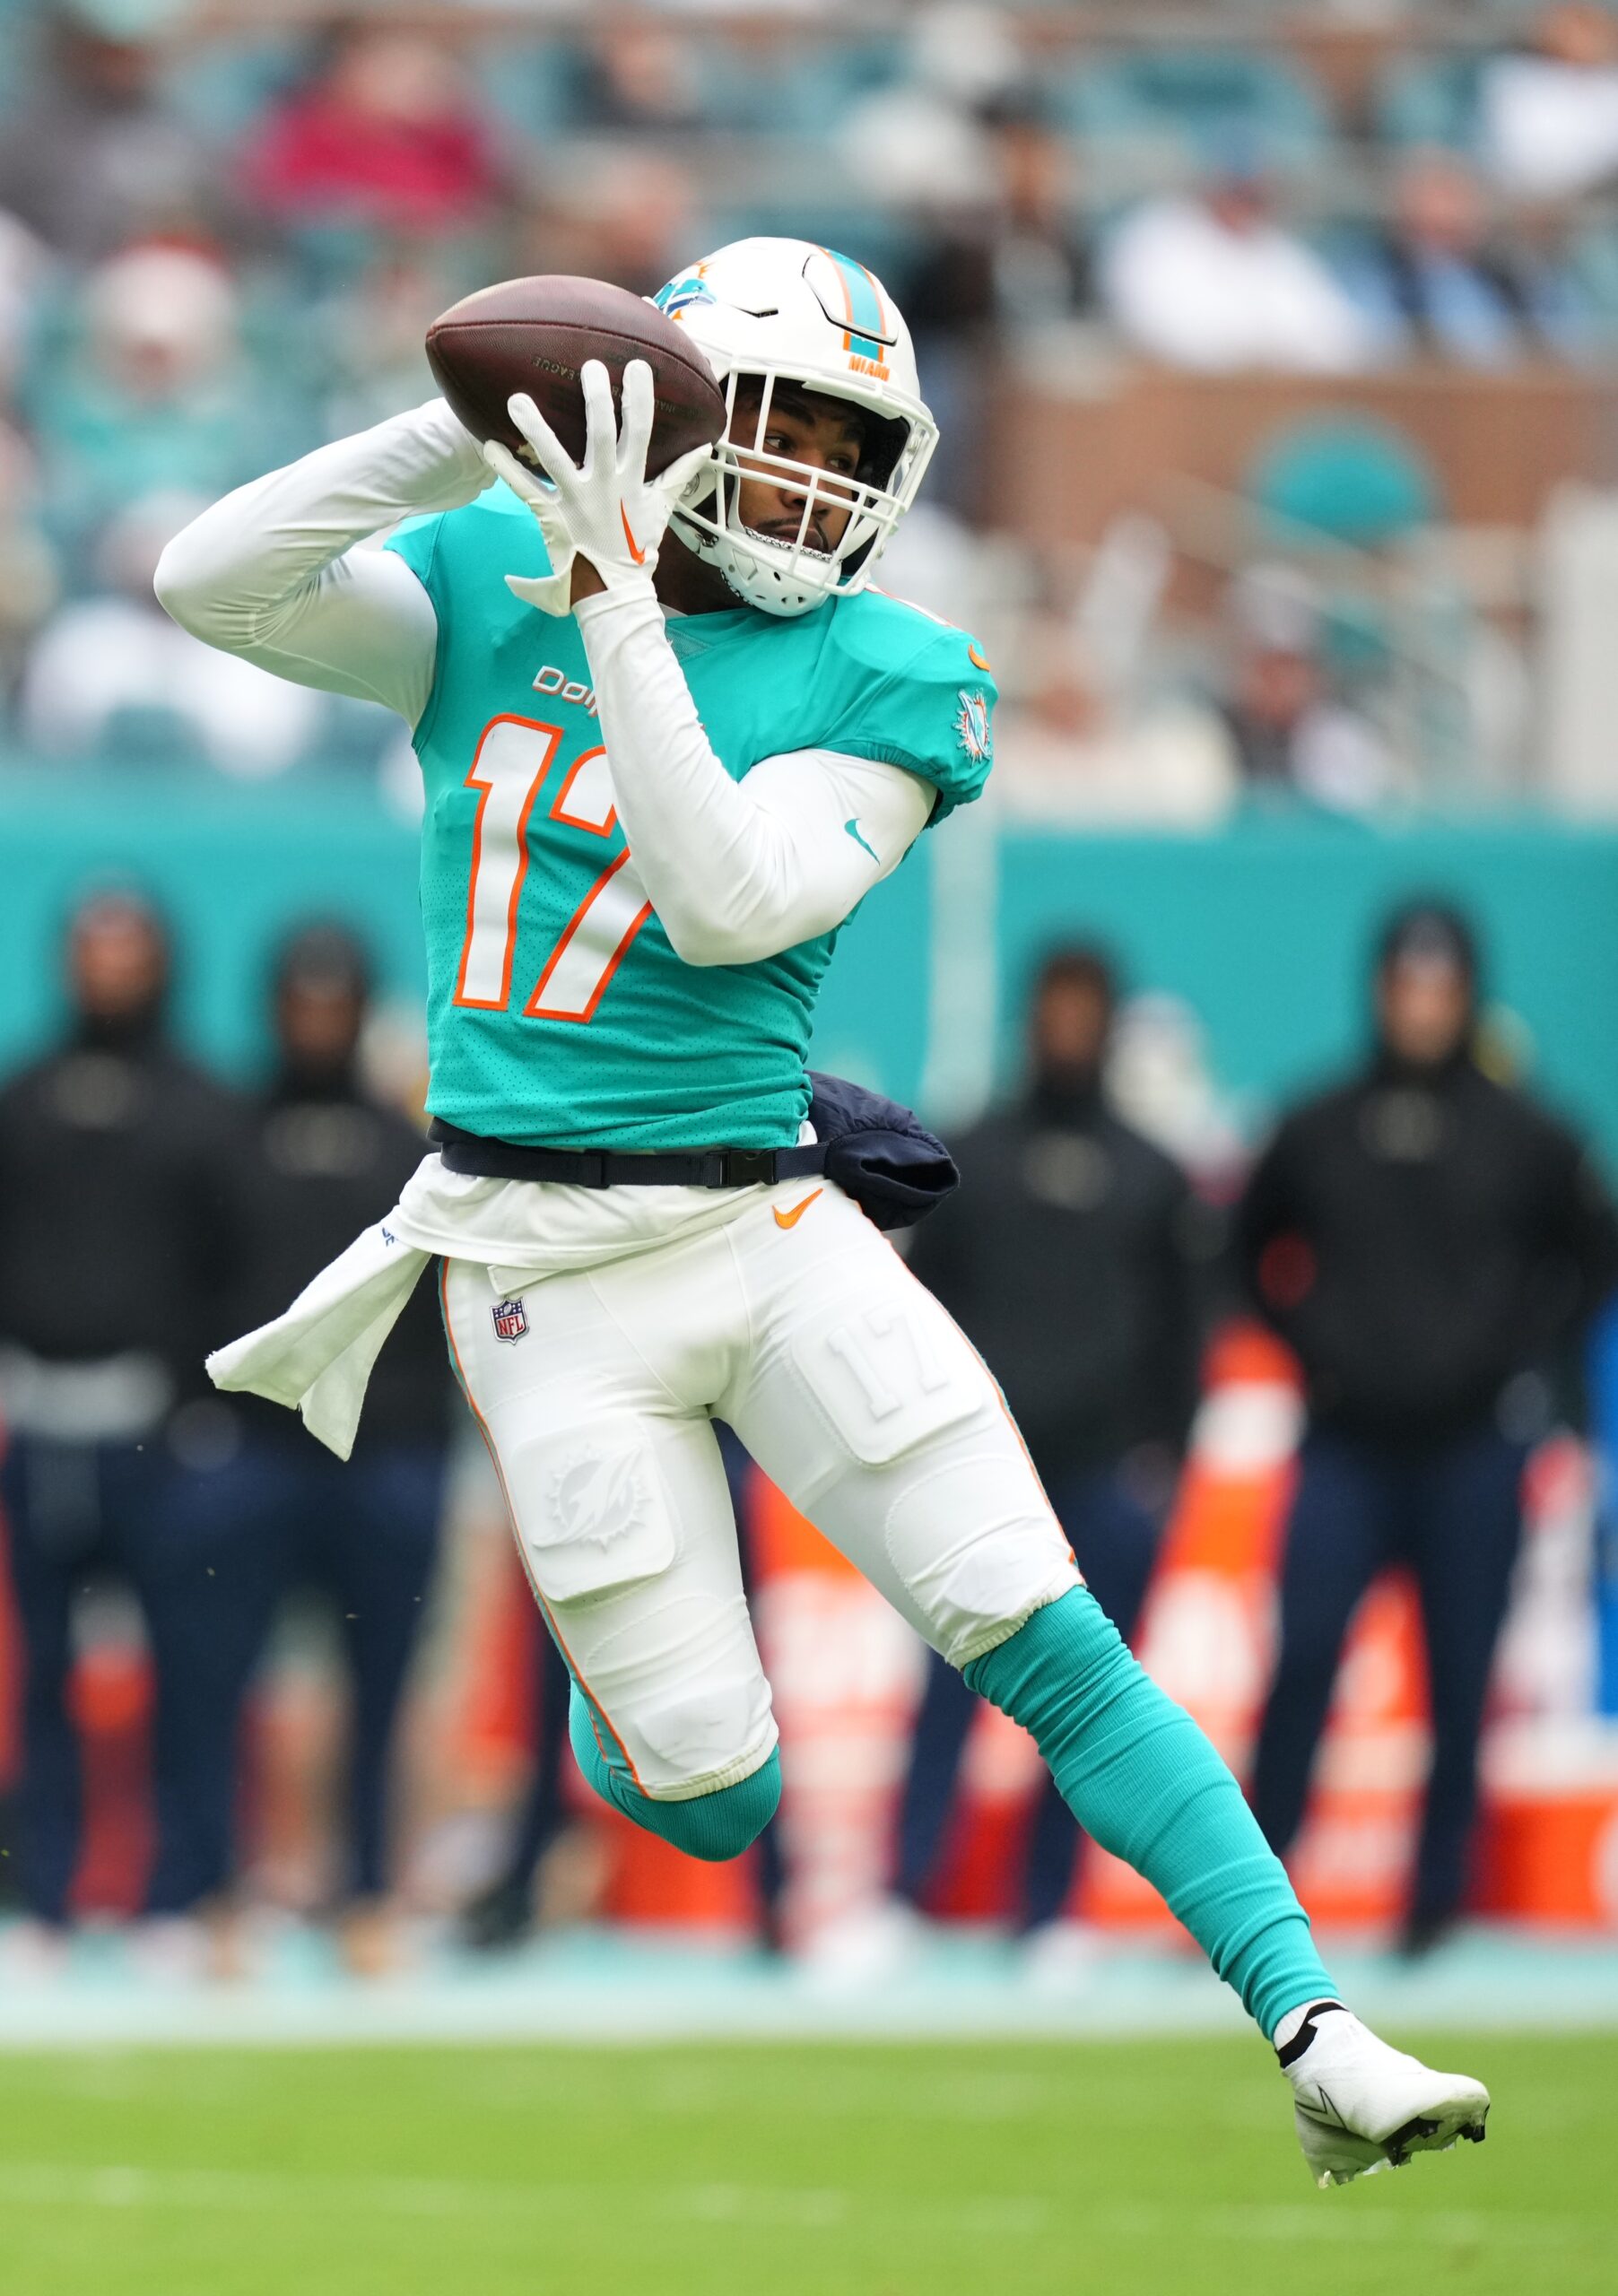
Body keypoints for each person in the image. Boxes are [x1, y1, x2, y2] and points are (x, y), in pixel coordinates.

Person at [157, 234, 1488, 2185]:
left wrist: (614, 600)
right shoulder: (482, 581)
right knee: (707, 1796)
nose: (815, 488)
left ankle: (1313, 2019)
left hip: (760, 1231)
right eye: (773, 430)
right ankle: (640, 1705)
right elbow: (210, 578)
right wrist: (480, 444)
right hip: (541, 1281)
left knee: (1036, 1621)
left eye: (852, 447)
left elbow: (723, 898)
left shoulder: (895, 667)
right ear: (672, 415)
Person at [1238, 901, 1618, 1957]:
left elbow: (1591, 1258)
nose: (1419, 1007)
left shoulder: (1529, 1133)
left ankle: (1433, 1902)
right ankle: (1253, 1894)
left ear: (1466, 995)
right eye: (1404, 986)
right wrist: (1309, 1340)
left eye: (1438, 987)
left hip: (1470, 1449)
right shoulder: (1318, 1122)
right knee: (1304, 1652)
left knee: (1460, 1677)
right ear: (1379, 991)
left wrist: (1523, 1357)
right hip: (1346, 1443)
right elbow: (1239, 1244)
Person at [889, 947, 1205, 1956]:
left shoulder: (1154, 1174)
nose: (1068, 1026)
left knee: (1086, 1705)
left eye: (1086, 1008)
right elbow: (917, 1309)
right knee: (947, 1685)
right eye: (1053, 1008)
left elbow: (1184, 1333)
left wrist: (1165, 1459)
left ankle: (1048, 1910)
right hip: (981, 1474)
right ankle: (901, 1894)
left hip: (1107, 1474)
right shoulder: (968, 1156)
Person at [187, 925, 457, 1967]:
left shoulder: (412, 1153)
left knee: (383, 1683)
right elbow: (190, 1288)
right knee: (217, 1679)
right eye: (300, 1003)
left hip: (385, 1463)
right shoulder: (227, 1140)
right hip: (252, 1457)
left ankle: (369, 1897)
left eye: (334, 1003)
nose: (317, 1021)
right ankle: (216, 1895)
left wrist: (426, 1437)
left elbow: (446, 1303)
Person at [0, 890, 242, 1949]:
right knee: (42, 1669)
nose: (109, 965)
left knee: (185, 1669)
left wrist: (198, 1402)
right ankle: (42, 1900)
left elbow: (238, 1267)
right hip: (42, 1423)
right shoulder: (27, 1096)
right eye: (90, 944)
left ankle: (177, 1896)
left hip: (159, 1437)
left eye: (127, 945)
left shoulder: (202, 1105)